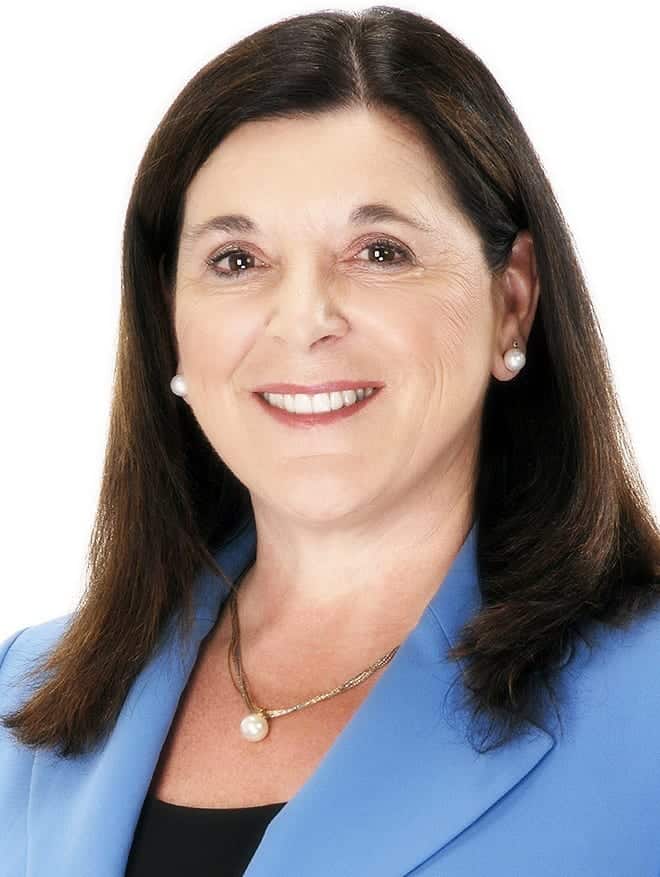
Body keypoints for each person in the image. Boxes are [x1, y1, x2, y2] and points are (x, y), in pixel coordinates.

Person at [2, 7, 659, 876]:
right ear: (170, 319)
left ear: (512, 301)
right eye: (237, 260)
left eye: (379, 251)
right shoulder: (22, 691)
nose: (304, 318)